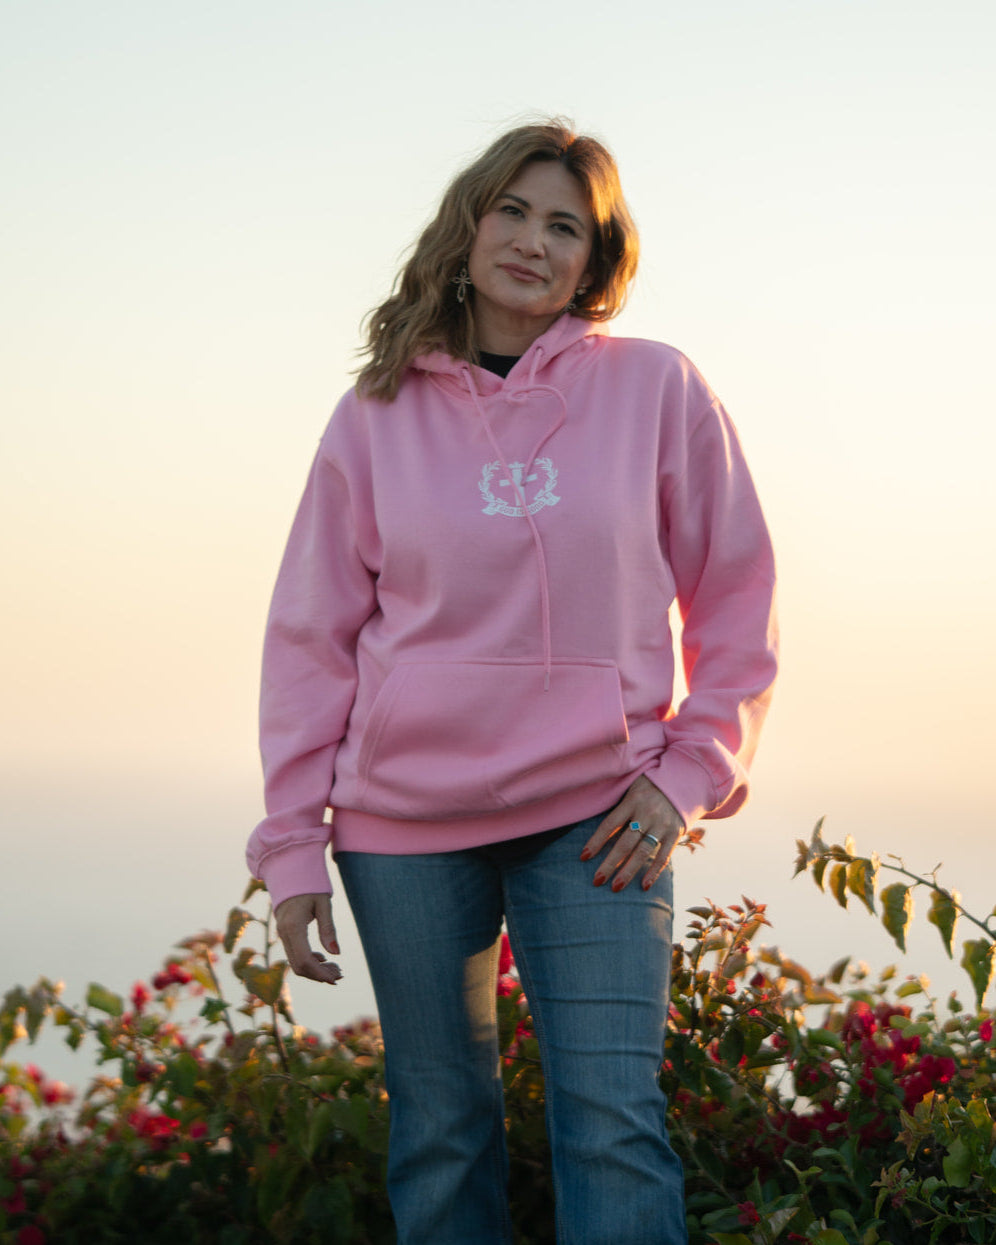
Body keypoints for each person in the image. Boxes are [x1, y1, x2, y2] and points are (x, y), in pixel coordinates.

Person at [247, 118, 777, 1245]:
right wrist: (293, 843)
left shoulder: (657, 391)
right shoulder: (374, 415)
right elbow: (310, 639)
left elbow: (737, 597)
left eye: (565, 226)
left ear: (596, 260)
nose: (533, 242)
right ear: (469, 225)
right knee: (439, 1134)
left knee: (613, 1124)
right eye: (514, 212)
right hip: (403, 829)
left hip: (598, 814)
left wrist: (688, 775)